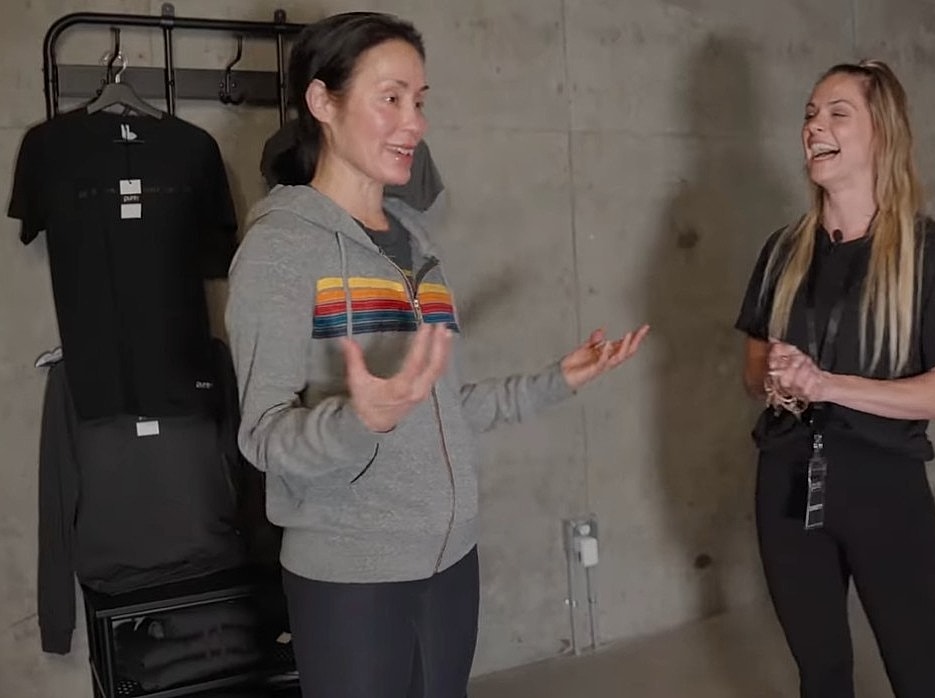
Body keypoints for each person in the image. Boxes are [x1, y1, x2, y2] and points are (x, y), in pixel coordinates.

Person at [225, 12, 649, 698]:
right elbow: (262, 435)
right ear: (322, 102)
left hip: (451, 559)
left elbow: (443, 402)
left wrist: (555, 382)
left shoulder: (416, 243)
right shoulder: (281, 250)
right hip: (351, 574)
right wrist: (361, 420)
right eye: (389, 97)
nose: (414, 122)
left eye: (419, 101)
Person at [734, 60, 935, 698]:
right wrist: (780, 379)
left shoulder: (932, 253)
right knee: (821, 677)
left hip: (886, 488)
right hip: (787, 483)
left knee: (923, 678)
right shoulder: (781, 251)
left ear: (883, 132)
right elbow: (750, 369)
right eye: (809, 115)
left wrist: (826, 384)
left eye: (836, 113)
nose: (815, 126)